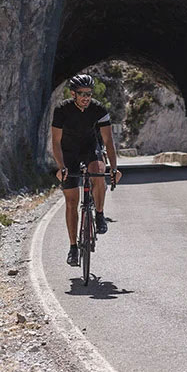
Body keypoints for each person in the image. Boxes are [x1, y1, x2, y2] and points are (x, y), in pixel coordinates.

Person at [52, 73, 122, 266]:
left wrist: (114, 169)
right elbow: (56, 142)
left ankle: (99, 214)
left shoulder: (98, 109)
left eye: (89, 93)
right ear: (73, 94)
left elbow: (108, 142)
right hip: (68, 152)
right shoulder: (61, 110)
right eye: (82, 93)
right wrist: (61, 167)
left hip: (91, 148)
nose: (86, 97)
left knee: (99, 174)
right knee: (71, 200)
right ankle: (73, 247)